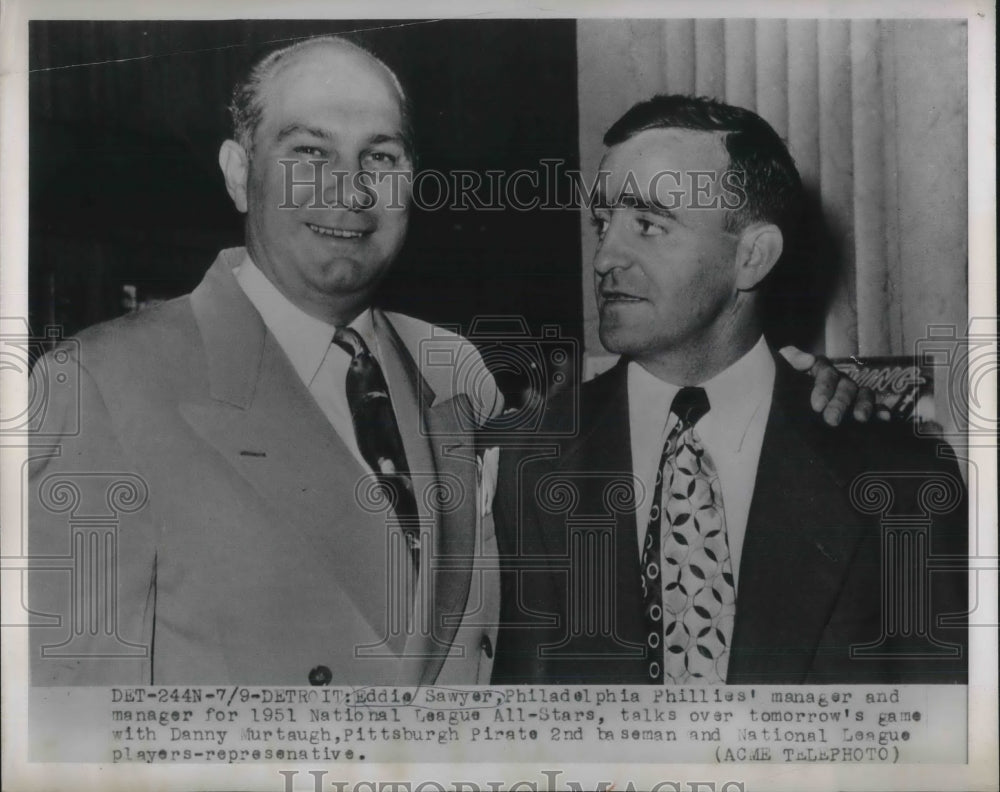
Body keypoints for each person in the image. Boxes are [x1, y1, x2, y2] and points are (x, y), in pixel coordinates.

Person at [28, 41, 866, 686]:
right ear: (240, 173)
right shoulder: (100, 388)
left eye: (382, 158)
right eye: (310, 154)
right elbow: (70, 727)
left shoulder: (455, 372)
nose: (350, 193)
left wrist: (791, 391)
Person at [492, 95, 967, 685]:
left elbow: (941, 739)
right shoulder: (533, 461)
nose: (606, 256)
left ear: (752, 257)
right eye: (602, 222)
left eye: (647, 223)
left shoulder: (903, 479)